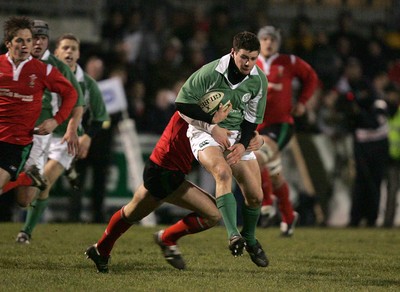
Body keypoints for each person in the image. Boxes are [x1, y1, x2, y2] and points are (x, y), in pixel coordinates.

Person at [85, 108, 265, 272]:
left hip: (161, 170)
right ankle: (167, 238)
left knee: (132, 213)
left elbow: (229, 131)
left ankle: (101, 249)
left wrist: (255, 137)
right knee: (213, 215)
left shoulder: (204, 114)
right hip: (165, 173)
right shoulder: (194, 113)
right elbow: (211, 126)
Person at [175, 31, 268, 266]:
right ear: (233, 52)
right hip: (204, 131)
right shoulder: (210, 72)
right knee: (222, 172)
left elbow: (251, 120)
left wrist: (242, 144)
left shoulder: (258, 80)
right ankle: (232, 235)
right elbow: (181, 103)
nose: (248, 63)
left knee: (256, 197)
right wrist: (211, 123)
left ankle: (249, 237)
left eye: (253, 58)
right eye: (244, 57)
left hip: (236, 134)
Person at [15, 20, 85, 243]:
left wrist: (74, 129)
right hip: (23, 134)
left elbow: (77, 101)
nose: (37, 42)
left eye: (42, 38)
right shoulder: (15, 64)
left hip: (56, 138)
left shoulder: (58, 67)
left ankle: (26, 232)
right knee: (26, 193)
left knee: (38, 185)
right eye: (34, 38)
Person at [0, 16, 78, 195]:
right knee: (22, 200)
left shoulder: (43, 70)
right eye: (20, 40)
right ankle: (29, 177)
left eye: (28, 40)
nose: (26, 45)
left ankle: (28, 177)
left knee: (23, 199)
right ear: (8, 43)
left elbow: (71, 93)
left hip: (16, 143)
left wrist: (56, 120)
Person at [255, 26, 319, 235]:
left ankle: (265, 207)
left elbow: (311, 76)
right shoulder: (251, 63)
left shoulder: (288, 61)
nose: (268, 42)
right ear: (258, 41)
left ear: (278, 42)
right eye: (264, 38)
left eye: (272, 39)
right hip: (256, 125)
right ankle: (289, 216)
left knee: (257, 157)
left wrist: (302, 102)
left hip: (280, 124)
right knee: (274, 176)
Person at [52, 33, 110, 223]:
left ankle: (90, 216)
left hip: (84, 142)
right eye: (65, 48)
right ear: (56, 52)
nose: (69, 52)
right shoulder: (44, 76)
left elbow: (102, 117)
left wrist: (88, 136)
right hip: (50, 137)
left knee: (90, 182)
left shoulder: (93, 86)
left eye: (73, 49)